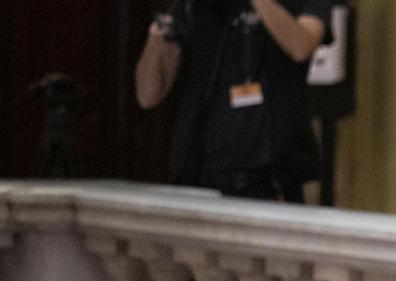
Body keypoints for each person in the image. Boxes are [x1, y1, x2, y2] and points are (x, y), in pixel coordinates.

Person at [134, 0, 331, 202]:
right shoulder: (191, 5)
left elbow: (302, 47)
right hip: (197, 175)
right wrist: (155, 41)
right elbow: (147, 96)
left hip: (268, 178)